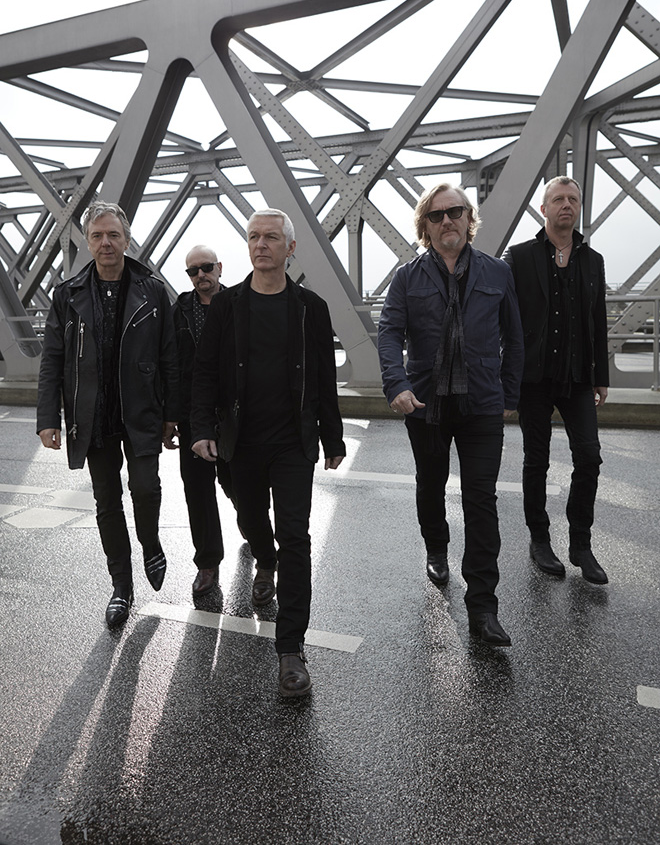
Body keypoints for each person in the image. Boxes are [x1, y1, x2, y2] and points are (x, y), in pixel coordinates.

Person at [190, 208, 345, 696]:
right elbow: (205, 372)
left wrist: (333, 437)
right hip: (241, 441)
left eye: (272, 237)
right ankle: (264, 558)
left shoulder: (311, 308)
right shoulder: (227, 306)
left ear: (290, 247)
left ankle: (291, 649)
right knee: (253, 519)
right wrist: (202, 428)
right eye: (254, 236)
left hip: (293, 441)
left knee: (296, 535)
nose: (261, 244)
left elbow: (324, 377)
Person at [378, 183, 523, 646]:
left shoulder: (497, 272)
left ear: (468, 218)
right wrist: (396, 384)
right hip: (426, 403)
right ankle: (436, 548)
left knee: (481, 500)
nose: (447, 221)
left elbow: (514, 337)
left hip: (482, 403)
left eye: (455, 212)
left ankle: (483, 608)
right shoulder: (406, 278)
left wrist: (509, 394)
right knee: (431, 483)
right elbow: (389, 332)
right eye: (436, 215)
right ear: (425, 225)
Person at [37, 200, 178, 627]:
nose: (106, 243)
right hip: (92, 414)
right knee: (107, 502)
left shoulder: (152, 290)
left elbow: (170, 356)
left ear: (127, 239)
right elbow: (52, 359)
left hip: (141, 409)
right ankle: (121, 586)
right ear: (87, 241)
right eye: (97, 236)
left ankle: (150, 542)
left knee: (146, 488)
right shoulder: (68, 294)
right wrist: (48, 418)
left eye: (113, 235)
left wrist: (172, 413)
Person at [503, 175, 609, 584]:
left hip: (578, 376)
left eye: (573, 199)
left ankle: (581, 544)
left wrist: (600, 375)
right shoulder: (519, 257)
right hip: (534, 378)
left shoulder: (593, 260)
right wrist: (505, 375)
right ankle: (540, 540)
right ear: (543, 209)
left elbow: (597, 320)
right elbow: (503, 319)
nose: (567, 205)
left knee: (589, 457)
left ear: (579, 207)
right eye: (559, 199)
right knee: (537, 460)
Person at [172, 245, 234, 596]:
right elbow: (170, 364)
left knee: (237, 484)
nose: (200, 275)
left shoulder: (239, 303)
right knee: (197, 491)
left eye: (206, 267)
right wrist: (169, 416)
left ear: (219, 267)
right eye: (192, 271)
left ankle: (253, 531)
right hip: (192, 415)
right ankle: (207, 563)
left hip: (233, 415)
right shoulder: (179, 311)